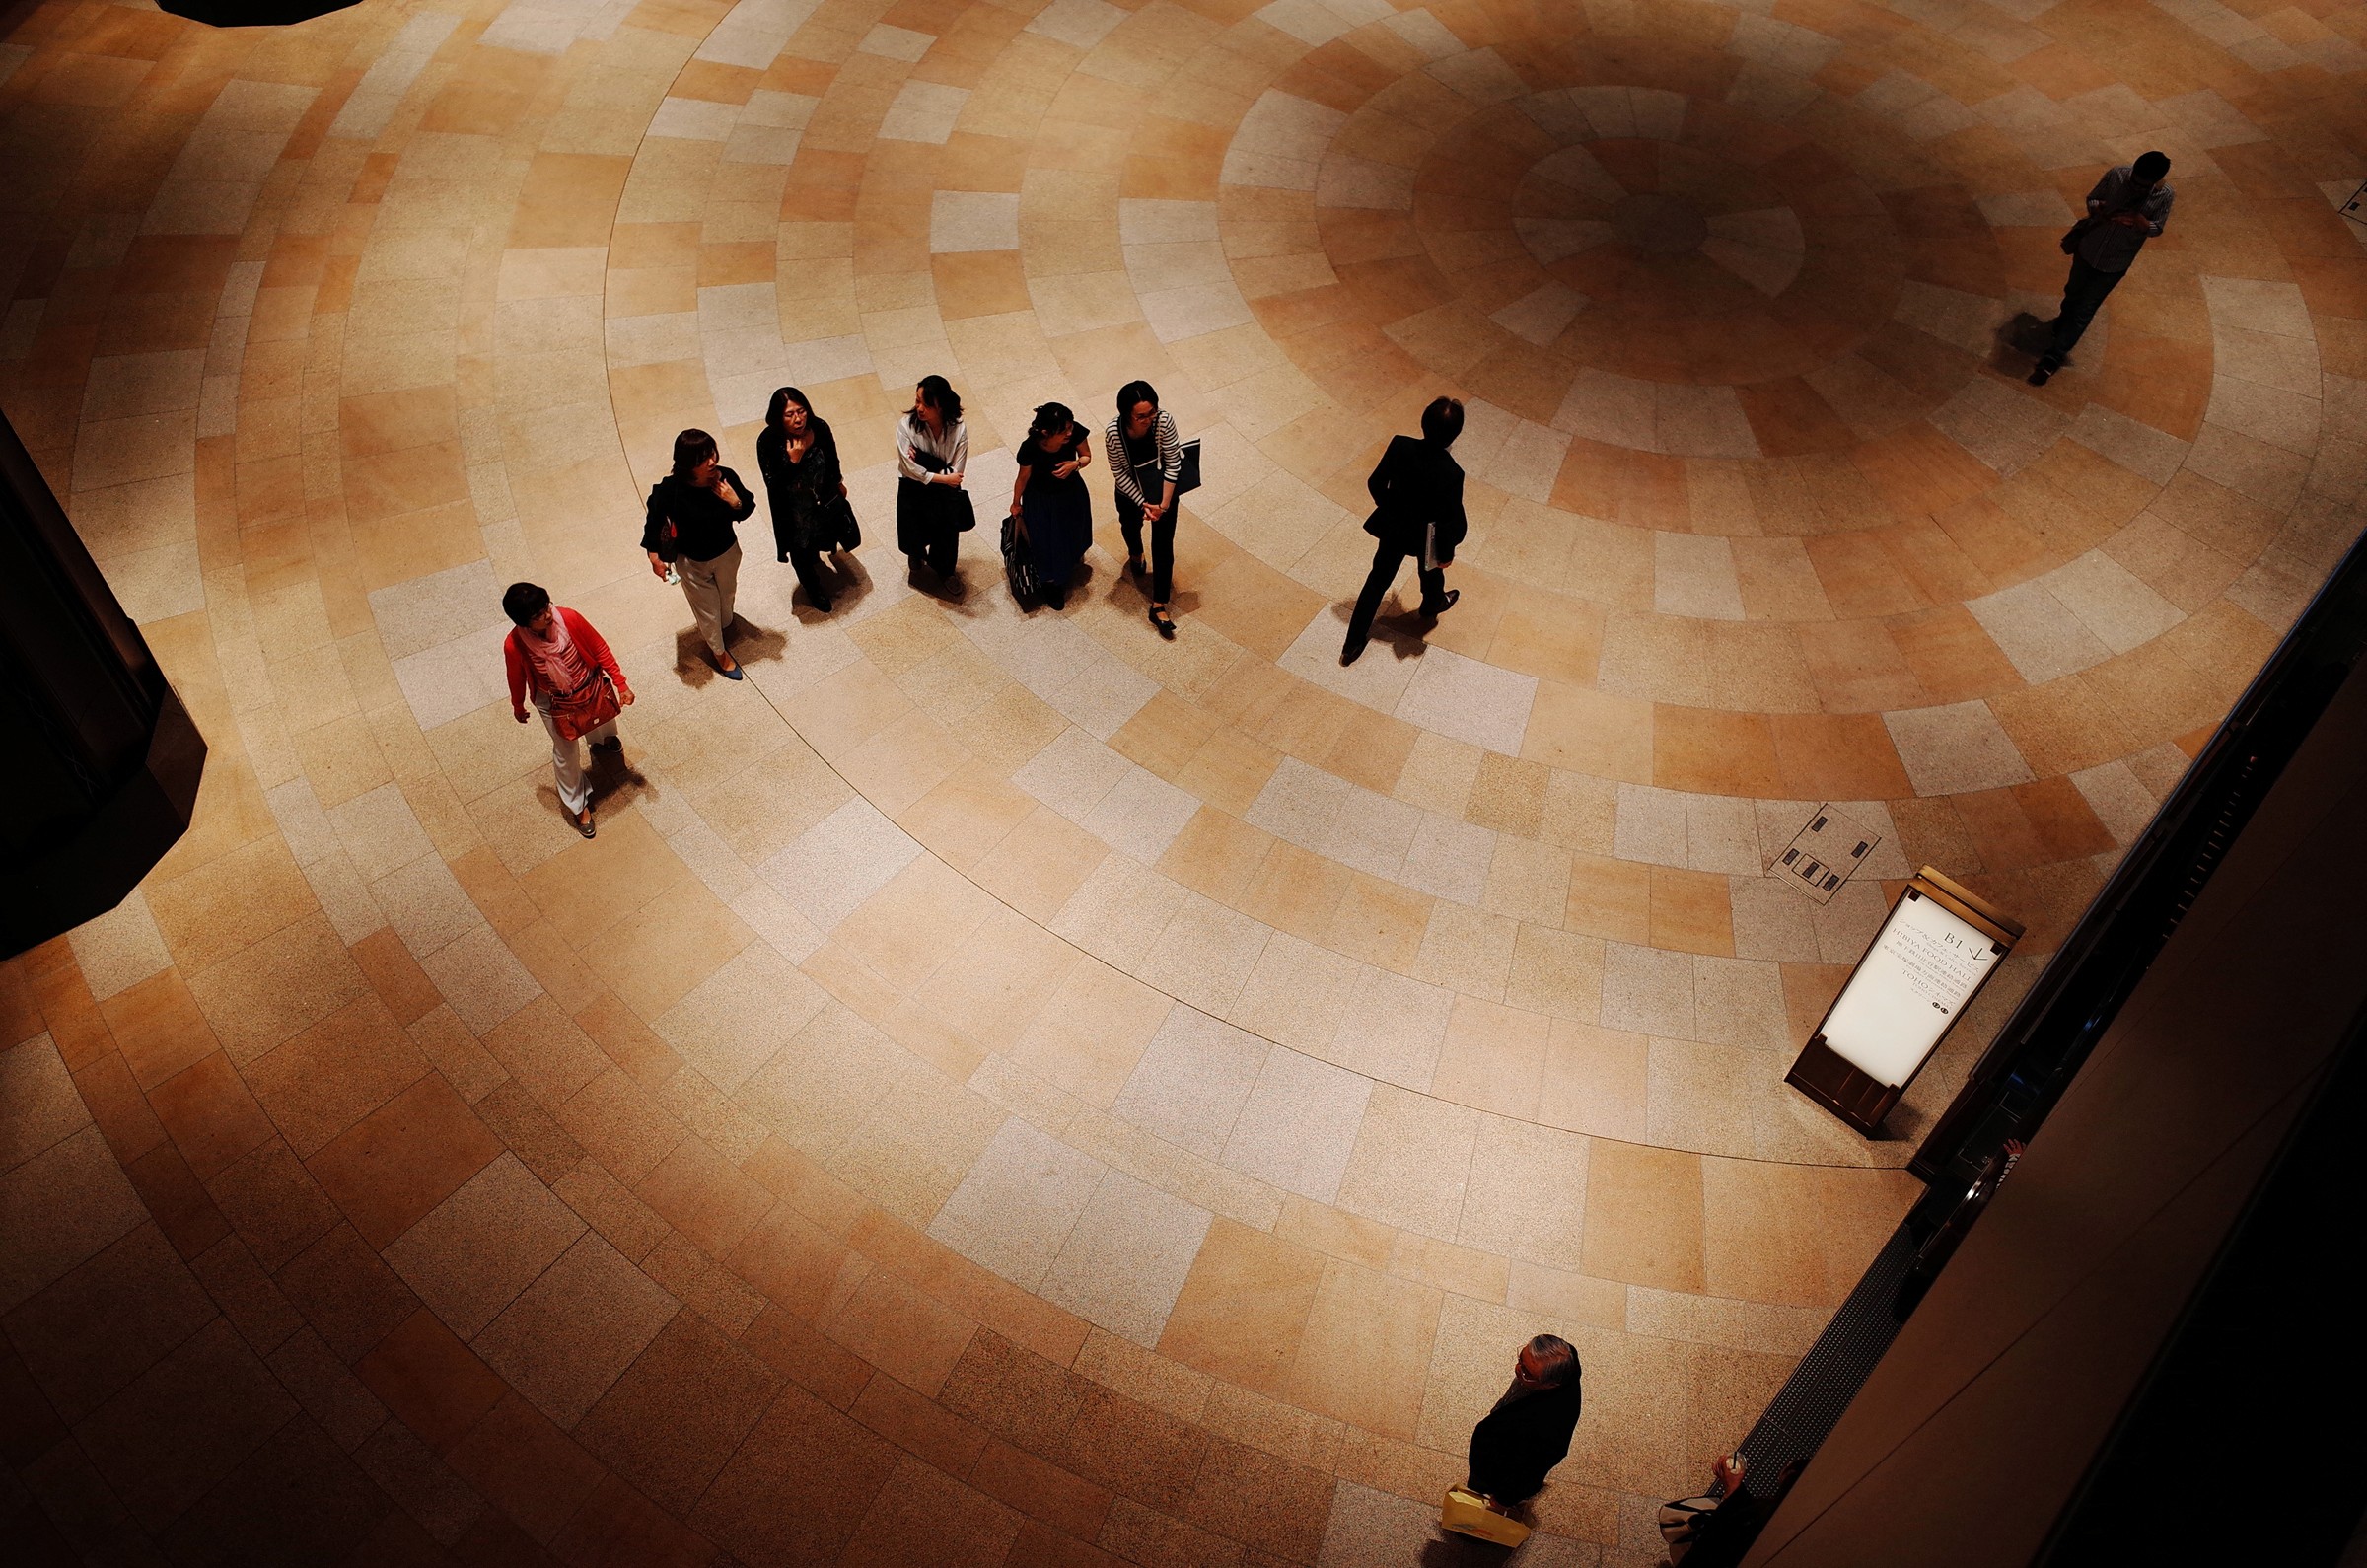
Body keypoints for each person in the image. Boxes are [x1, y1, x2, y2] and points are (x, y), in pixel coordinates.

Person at [1341, 395, 1467, 666]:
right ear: (1455, 435)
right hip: (1427, 538)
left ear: (1423, 422)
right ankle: (1432, 605)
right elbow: (1449, 519)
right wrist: (1447, 551)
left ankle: (1352, 643)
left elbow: (1375, 482)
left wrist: (1391, 508)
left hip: (1395, 528)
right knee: (1431, 573)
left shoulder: (1400, 445)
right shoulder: (1453, 473)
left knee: (1377, 580)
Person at [2029, 152, 2174, 387]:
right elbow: (2092, 198)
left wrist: (2143, 224)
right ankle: (2063, 322)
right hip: (2088, 249)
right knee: (2073, 292)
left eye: (2142, 185)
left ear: (2155, 181)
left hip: (2115, 262)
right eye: (2135, 181)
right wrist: (2099, 209)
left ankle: (2053, 356)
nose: (2136, 187)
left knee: (2086, 308)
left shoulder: (2164, 196)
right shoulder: (2118, 175)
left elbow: (2158, 227)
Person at [502, 582, 631, 839]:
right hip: (555, 702)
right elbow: (515, 676)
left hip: (589, 683)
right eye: (538, 615)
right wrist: (518, 704)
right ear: (523, 622)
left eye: (546, 607)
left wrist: (620, 682)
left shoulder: (569, 618)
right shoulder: (514, 645)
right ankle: (577, 803)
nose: (548, 616)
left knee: (601, 716)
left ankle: (603, 741)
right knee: (565, 751)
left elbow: (598, 647)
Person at [642, 428, 755, 678]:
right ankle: (719, 652)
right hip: (692, 562)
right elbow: (654, 519)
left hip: (727, 552)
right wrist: (653, 555)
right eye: (704, 458)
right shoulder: (671, 490)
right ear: (688, 464)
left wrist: (734, 501)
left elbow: (746, 508)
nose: (712, 460)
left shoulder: (725, 479)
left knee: (727, 597)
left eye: (712, 452)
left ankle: (724, 625)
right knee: (707, 611)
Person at [756, 386, 851, 614]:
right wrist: (793, 461)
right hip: (794, 510)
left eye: (801, 411)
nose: (798, 419)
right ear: (778, 417)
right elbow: (774, 485)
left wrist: (838, 482)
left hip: (821, 499)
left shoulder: (819, 427)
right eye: (789, 415)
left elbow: (832, 458)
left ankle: (817, 556)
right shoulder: (768, 441)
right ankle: (813, 588)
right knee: (800, 550)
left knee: (823, 536)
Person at [1466, 1333, 1584, 1509]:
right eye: (1520, 1358)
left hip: (1498, 1468)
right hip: (1504, 1431)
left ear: (1551, 1384)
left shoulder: (1547, 1430)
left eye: (1526, 1373)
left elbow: (1528, 1473)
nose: (1517, 1369)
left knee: (1479, 1490)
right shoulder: (1563, 1359)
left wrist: (1503, 1500)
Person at [1105, 380, 1184, 638]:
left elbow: (1173, 463)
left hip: (1163, 495)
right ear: (1126, 414)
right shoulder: (1114, 433)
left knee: (1163, 546)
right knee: (1130, 527)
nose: (1149, 419)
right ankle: (1136, 555)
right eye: (1141, 416)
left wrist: (1162, 505)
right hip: (1131, 494)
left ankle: (1159, 604)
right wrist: (1142, 503)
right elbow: (1118, 472)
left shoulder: (1164, 421)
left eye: (1152, 412)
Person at [1008, 400, 1094, 610]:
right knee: (1045, 541)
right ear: (1046, 432)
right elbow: (1023, 478)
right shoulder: (1030, 447)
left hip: (1071, 494)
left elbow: (1086, 456)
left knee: (1071, 532)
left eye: (1070, 427)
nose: (1069, 433)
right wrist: (1016, 502)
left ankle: (1069, 562)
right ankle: (1051, 584)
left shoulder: (1074, 433)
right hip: (1041, 500)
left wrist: (1075, 464)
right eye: (1063, 430)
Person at [896, 374, 969, 584]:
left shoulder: (958, 428)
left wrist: (923, 461)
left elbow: (958, 470)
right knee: (914, 528)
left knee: (946, 534)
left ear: (941, 406)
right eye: (918, 401)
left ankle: (946, 571)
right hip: (914, 488)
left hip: (943, 490)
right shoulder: (906, 426)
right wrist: (944, 478)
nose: (919, 408)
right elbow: (910, 469)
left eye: (926, 404)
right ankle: (916, 554)